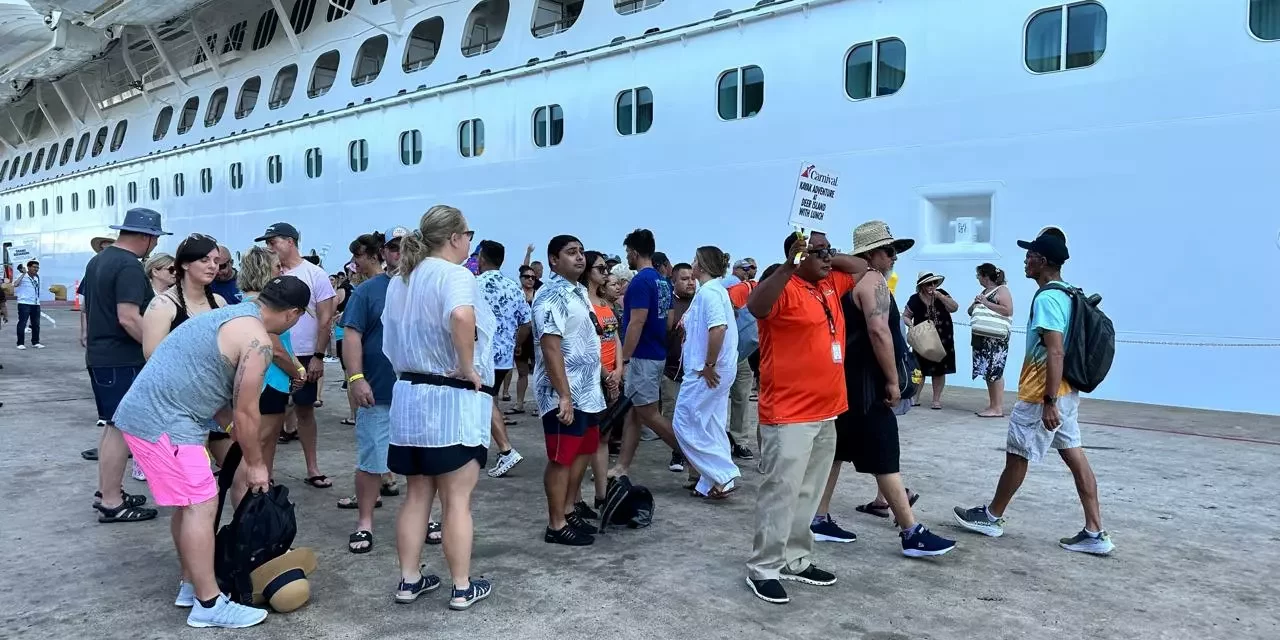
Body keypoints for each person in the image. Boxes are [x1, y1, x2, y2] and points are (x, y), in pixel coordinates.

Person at [115, 276, 308, 629]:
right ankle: (208, 604)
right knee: (202, 504)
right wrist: (256, 464)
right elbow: (248, 410)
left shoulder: (229, 316)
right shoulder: (257, 342)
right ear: (293, 314)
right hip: (165, 424)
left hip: (149, 416)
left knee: (190, 504)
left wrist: (232, 431)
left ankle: (192, 584)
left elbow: (208, 384)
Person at [953, 231, 1115, 556]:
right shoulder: (1068, 293)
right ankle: (1095, 531)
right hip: (1065, 391)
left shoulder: (1047, 299)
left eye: (1030, 256)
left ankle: (991, 516)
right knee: (1074, 455)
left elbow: (1055, 352)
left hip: (1043, 393)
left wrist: (1049, 402)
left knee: (1017, 454)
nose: (1025, 261)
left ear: (1042, 261)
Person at [818, 221, 956, 556]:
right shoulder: (873, 280)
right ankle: (912, 533)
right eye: (889, 250)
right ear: (870, 253)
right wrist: (893, 381)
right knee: (884, 454)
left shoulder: (848, 283)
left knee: (837, 453)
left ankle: (817, 518)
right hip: (869, 385)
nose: (894, 257)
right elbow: (879, 332)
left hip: (848, 381)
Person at [382, 205, 494, 609]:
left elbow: (390, 340)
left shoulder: (401, 280)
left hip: (409, 396)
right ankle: (461, 586)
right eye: (469, 234)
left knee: (416, 494)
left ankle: (409, 580)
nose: (470, 242)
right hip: (449, 398)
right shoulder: (456, 275)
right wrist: (467, 367)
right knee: (456, 499)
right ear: (455, 238)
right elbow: (462, 317)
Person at [743, 231, 864, 605]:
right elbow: (756, 307)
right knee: (780, 492)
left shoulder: (829, 281)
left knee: (809, 492)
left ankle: (796, 558)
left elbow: (861, 267)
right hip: (789, 414)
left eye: (829, 251)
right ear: (797, 257)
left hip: (826, 410)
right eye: (819, 253)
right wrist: (790, 263)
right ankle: (764, 568)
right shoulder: (782, 287)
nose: (829, 258)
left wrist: (826, 253)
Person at [79, 208, 170, 524]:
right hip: (122, 357)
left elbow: (93, 309)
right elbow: (129, 316)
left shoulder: (99, 260)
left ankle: (106, 490)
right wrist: (156, 351)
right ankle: (113, 502)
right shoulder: (130, 266)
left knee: (111, 425)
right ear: (147, 237)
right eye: (155, 240)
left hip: (101, 355)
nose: (155, 246)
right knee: (123, 428)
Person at [341, 227, 413, 553]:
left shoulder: (426, 287)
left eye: (408, 247)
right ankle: (365, 522)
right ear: (384, 252)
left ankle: (424, 518)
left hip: (418, 393)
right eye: (395, 247)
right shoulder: (368, 291)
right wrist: (356, 378)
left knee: (422, 462)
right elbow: (352, 334)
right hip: (379, 391)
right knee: (371, 460)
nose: (401, 253)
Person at [533, 235, 608, 545]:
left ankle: (568, 507)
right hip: (564, 393)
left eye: (580, 253)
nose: (579, 258)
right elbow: (550, 348)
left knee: (585, 449)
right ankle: (556, 524)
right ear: (553, 260)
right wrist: (564, 395)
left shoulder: (578, 292)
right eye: (571, 253)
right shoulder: (550, 295)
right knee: (562, 457)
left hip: (589, 392)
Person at [256, 222, 336, 488]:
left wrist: (318, 355)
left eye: (273, 241)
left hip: (303, 353)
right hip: (272, 354)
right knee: (271, 416)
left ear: (290, 241)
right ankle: (265, 472)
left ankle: (312, 467)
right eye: (267, 243)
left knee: (304, 411)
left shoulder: (315, 274)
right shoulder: (267, 273)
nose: (269, 247)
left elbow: (326, 319)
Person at [141, 234, 231, 460]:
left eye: (216, 260)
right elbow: (154, 360)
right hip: (179, 407)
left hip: (217, 402)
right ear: (184, 264)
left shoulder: (219, 303)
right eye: (204, 260)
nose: (212, 266)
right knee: (194, 480)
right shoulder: (162, 305)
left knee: (238, 469)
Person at [229, 247, 307, 505]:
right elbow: (274, 347)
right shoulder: (263, 308)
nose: (280, 272)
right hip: (269, 382)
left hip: (264, 382)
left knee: (262, 447)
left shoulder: (245, 302)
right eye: (276, 268)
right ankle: (254, 504)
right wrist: (296, 371)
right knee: (261, 449)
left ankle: (259, 499)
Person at [610, 228, 682, 478]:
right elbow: (670, 321)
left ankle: (696, 461)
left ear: (633, 252)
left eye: (627, 252)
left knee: (649, 414)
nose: (627, 257)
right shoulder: (663, 281)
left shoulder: (640, 281)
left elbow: (636, 322)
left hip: (642, 356)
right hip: (657, 352)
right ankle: (622, 466)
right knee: (634, 412)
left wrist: (625, 357)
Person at [672, 247, 741, 498]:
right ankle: (713, 481)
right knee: (710, 423)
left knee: (683, 422)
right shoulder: (712, 292)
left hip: (706, 370)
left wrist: (709, 365)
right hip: (714, 368)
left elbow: (718, 328)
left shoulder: (710, 293)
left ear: (701, 265)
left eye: (694, 260)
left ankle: (723, 473)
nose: (692, 265)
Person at [475, 240, 530, 478]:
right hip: (504, 358)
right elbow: (526, 323)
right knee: (490, 399)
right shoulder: (513, 287)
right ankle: (482, 451)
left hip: (479, 355)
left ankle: (506, 450)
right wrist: (516, 344)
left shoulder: (473, 285)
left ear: (482, 259)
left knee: (483, 401)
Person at [574, 250, 621, 517]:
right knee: (583, 439)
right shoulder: (582, 303)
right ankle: (576, 498)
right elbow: (587, 347)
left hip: (610, 375)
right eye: (601, 269)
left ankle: (602, 495)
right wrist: (607, 375)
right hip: (592, 376)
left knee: (601, 438)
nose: (606, 274)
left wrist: (619, 369)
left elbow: (615, 339)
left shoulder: (606, 303)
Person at [659, 263, 696, 470]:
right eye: (684, 278)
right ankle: (677, 452)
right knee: (672, 414)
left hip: (694, 372)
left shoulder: (701, 301)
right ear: (673, 281)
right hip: (671, 369)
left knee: (692, 415)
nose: (690, 282)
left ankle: (689, 455)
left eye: (692, 277)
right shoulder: (668, 302)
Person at [904, 272, 958, 410]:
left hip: (943, 338)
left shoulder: (942, 294)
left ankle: (936, 400)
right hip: (923, 339)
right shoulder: (915, 299)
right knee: (919, 369)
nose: (932, 286)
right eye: (929, 283)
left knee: (940, 370)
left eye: (934, 283)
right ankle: (915, 397)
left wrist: (941, 296)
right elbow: (906, 315)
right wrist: (911, 325)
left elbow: (954, 307)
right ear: (922, 286)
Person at [969, 263, 1014, 418]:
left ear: (985, 276)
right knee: (988, 370)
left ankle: (997, 407)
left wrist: (986, 303)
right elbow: (971, 311)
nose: (977, 278)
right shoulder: (985, 291)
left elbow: (1008, 310)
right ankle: (993, 405)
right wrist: (977, 303)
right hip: (983, 336)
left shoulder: (1002, 290)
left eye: (978, 275)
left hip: (996, 338)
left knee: (995, 370)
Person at [503, 264, 540, 412]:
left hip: (537, 338)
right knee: (522, 372)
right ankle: (519, 403)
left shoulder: (539, 294)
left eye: (533, 277)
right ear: (521, 278)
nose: (530, 280)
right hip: (520, 337)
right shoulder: (516, 294)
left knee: (539, 372)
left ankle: (539, 405)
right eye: (527, 277)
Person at [13, 259, 43, 349]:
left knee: (36, 324)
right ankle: (20, 343)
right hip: (24, 303)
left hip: (35, 303)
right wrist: (23, 274)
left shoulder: (37, 277)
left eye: (38, 267)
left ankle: (35, 342)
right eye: (34, 267)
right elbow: (15, 284)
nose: (36, 269)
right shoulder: (22, 276)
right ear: (29, 267)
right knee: (22, 323)